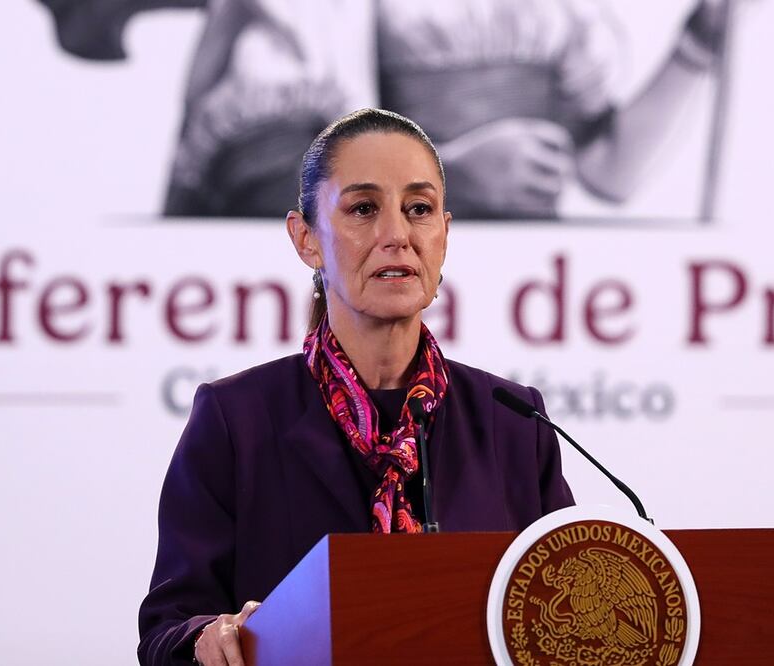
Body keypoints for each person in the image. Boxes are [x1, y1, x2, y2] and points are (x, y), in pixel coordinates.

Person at [137, 108, 575, 666]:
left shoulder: (513, 421)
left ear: (444, 234)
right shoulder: (235, 419)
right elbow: (165, 631)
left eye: (419, 209)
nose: (397, 236)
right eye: (364, 209)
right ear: (306, 240)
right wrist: (208, 638)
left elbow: (565, 604)